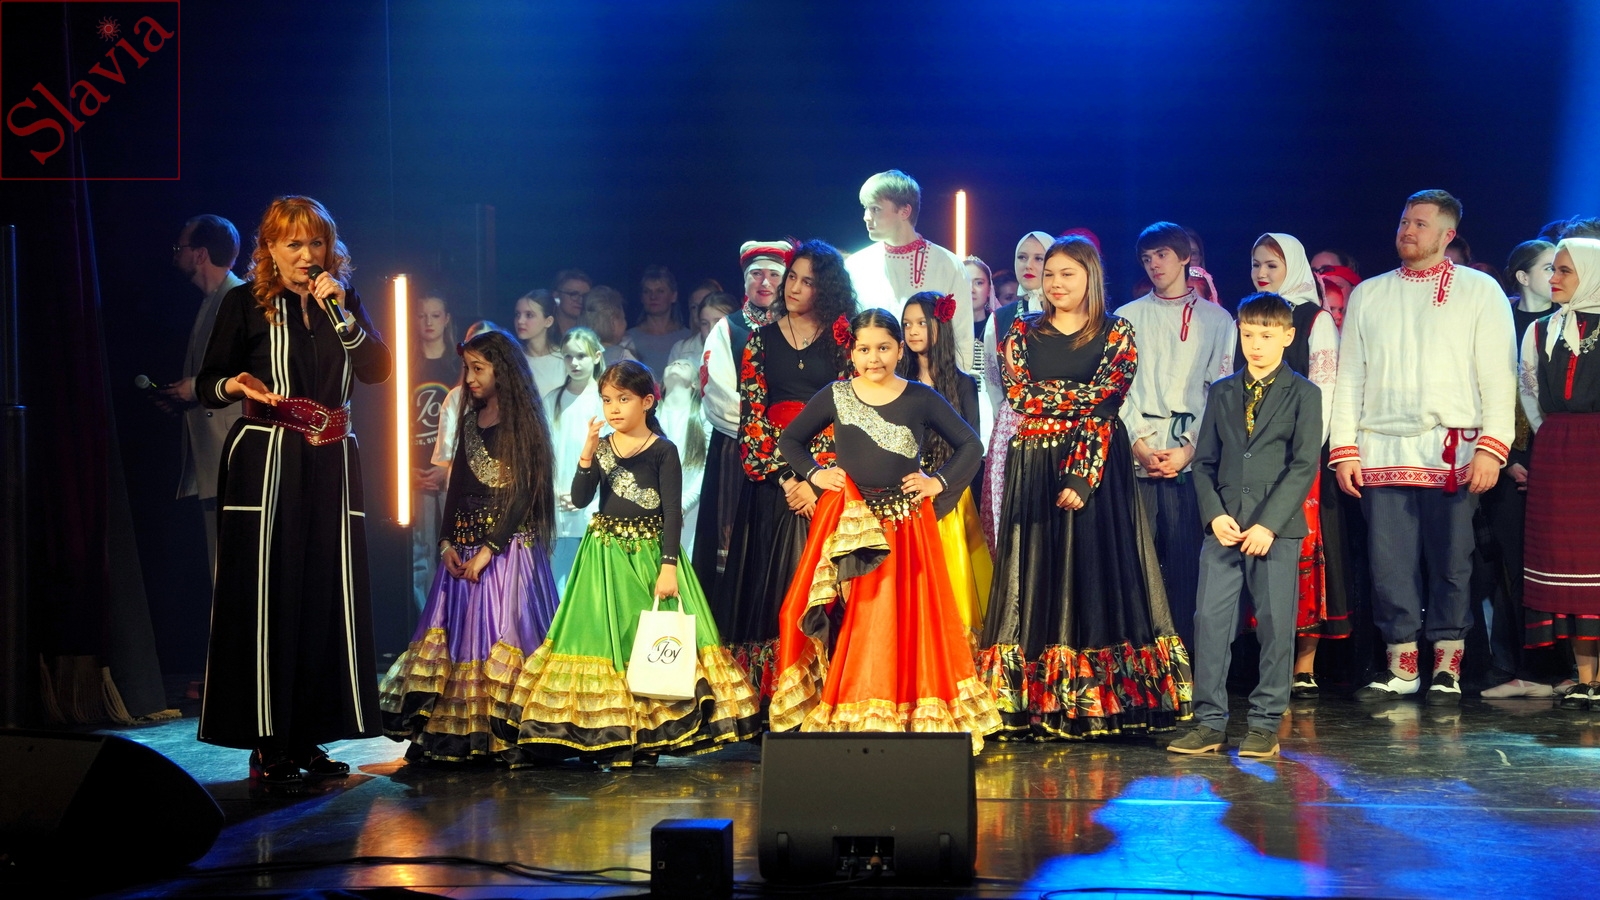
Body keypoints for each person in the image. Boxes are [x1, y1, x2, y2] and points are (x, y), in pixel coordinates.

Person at [194, 195, 392, 785]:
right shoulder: (244, 303)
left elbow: (378, 370)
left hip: (332, 461)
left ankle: (308, 735)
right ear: (270, 250)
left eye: (317, 244)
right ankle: (268, 742)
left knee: (324, 595)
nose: (307, 255)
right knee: (270, 595)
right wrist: (236, 384)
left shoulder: (342, 300)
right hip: (268, 458)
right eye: (294, 244)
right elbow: (207, 384)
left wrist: (345, 316)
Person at [977, 235, 1192, 739]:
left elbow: (1109, 398)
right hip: (1034, 464)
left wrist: (1081, 470)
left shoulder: (1117, 331)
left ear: (1090, 276)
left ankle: (1100, 703)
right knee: (1037, 571)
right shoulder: (1020, 331)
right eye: (1049, 274)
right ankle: (1034, 701)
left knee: (1096, 571)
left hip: (1096, 468)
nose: (1055, 283)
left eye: (1067, 274)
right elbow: (1020, 396)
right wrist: (1078, 399)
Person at [769, 311, 1001, 752]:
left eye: (883, 348)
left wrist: (938, 482)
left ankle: (904, 703)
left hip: (903, 525)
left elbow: (971, 444)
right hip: (850, 522)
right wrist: (815, 474)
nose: (873, 358)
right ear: (850, 351)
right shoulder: (836, 394)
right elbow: (790, 440)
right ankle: (854, 699)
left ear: (899, 349)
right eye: (864, 349)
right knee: (849, 613)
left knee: (900, 615)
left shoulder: (919, 397)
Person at [513, 361, 760, 767]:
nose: (613, 408)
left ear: (647, 401)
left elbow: (672, 512)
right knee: (602, 641)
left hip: (649, 557)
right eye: (607, 400)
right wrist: (587, 454)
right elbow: (580, 498)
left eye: (623, 399)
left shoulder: (663, 450)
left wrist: (668, 566)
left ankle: (647, 738)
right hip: (604, 557)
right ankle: (603, 734)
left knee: (644, 642)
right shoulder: (603, 447)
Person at [1331, 190, 1516, 704]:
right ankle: (1402, 667)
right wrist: (1344, 447)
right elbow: (1350, 377)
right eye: (1403, 221)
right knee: (1389, 564)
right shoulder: (1370, 293)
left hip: (1451, 450)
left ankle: (1447, 669)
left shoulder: (1479, 290)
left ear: (1447, 234)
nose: (1407, 230)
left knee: (1452, 562)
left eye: (1419, 223)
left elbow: (1498, 375)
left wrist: (1492, 447)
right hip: (1382, 448)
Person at [380, 329, 560, 763]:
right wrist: (445, 541)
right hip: (462, 546)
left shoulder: (524, 423)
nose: (470, 378)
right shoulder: (468, 418)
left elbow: (524, 494)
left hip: (508, 551)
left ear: (504, 371)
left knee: (501, 636)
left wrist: (489, 548)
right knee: (456, 642)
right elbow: (456, 486)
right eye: (467, 368)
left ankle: (506, 735)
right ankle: (451, 733)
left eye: (478, 369)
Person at [1169, 293, 1322, 758]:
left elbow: (1303, 465)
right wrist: (1214, 514)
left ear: (1287, 337)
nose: (1256, 345)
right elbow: (1203, 463)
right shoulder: (1222, 391)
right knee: (1210, 622)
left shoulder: (1305, 393)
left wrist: (1268, 525)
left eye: (1267, 336)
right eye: (1249, 334)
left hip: (1274, 531)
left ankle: (1264, 723)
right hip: (1225, 527)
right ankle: (1209, 722)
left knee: (1276, 626)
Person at [715, 240, 857, 703]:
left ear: (826, 288)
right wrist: (789, 477)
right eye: (791, 277)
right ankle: (772, 693)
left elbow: (850, 414)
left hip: (826, 482)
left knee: (818, 582)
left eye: (807, 281)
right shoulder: (760, 340)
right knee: (768, 586)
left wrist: (816, 476)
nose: (793, 287)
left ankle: (822, 688)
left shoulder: (844, 341)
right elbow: (752, 419)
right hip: (773, 483)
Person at [1116, 222, 1236, 649]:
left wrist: (1189, 450)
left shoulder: (1217, 319)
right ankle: (1140, 661)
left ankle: (1186, 661)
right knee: (1136, 562)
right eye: (1147, 258)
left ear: (1186, 257)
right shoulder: (1127, 317)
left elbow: (1220, 391)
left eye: (1163, 255)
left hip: (1190, 456)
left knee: (1188, 563)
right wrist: (1139, 443)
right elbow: (1118, 388)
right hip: (1140, 452)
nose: (1154, 265)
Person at [1242, 233, 1347, 699]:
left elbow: (1325, 390)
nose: (1262, 273)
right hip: (1254, 460)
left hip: (1299, 461)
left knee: (1300, 553)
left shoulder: (1313, 319)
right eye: (1256, 264)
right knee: (1257, 554)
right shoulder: (1248, 316)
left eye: (1272, 265)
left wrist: (1302, 455)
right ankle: (1270, 661)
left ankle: (1303, 664)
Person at [1519, 238, 1600, 708]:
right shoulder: (1540, 331)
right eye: (1552, 269)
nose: (1553, 278)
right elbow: (1530, 393)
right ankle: (1585, 677)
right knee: (1567, 563)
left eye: (1564, 271)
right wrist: (1552, 435)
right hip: (1559, 451)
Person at [1481, 240, 1563, 699]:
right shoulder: (1501, 323)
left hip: (1554, 459)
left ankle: (1559, 667)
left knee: (1554, 564)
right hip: (1503, 458)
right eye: (1548, 267)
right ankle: (1518, 666)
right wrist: (1506, 458)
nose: (1555, 276)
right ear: (1523, 276)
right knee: (1512, 566)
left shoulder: (1564, 323)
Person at [696, 241, 793, 595]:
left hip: (789, 448)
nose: (765, 282)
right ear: (745, 280)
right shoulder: (728, 329)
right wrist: (760, 433)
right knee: (731, 532)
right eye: (756, 274)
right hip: (737, 448)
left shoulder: (795, 327)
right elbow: (717, 392)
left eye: (773, 275)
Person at [900, 291, 991, 641]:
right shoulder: (898, 382)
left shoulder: (962, 383)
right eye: (907, 324)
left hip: (948, 494)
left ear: (940, 325)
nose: (913, 331)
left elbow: (972, 445)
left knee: (952, 581)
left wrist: (942, 488)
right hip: (905, 494)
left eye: (921, 323)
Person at [164, 214, 244, 584]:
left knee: (232, 570)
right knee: (221, 570)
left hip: (231, 455)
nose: (175, 255)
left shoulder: (237, 299)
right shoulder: (212, 300)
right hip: (211, 458)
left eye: (179, 247)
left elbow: (251, 371)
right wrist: (180, 398)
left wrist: (195, 387)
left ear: (200, 254)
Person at [844, 169, 973, 372]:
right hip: (872, 379)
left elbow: (962, 337)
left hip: (933, 383)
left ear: (904, 211)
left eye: (875, 209)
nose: (866, 217)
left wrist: (954, 385)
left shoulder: (947, 264)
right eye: (865, 208)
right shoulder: (856, 265)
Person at [978, 232, 1054, 551]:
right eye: (1022, 257)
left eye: (1038, 258)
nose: (1029, 265)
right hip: (1013, 428)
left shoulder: (1070, 313)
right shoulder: (1001, 318)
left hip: (1059, 427)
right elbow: (993, 383)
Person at [546, 328, 607, 588]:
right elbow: (545, 454)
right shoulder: (552, 400)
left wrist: (586, 494)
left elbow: (611, 456)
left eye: (581, 356)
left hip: (596, 507)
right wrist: (552, 491)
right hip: (559, 507)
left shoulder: (605, 401)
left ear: (597, 356)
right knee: (561, 587)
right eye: (568, 356)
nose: (574, 363)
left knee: (593, 586)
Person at [410, 293, 458, 612]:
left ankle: (451, 620)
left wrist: (447, 465)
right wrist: (406, 471)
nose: (428, 322)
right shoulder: (407, 365)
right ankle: (423, 623)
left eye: (435, 315)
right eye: (422, 315)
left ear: (447, 319)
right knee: (420, 553)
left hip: (450, 471)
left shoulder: (457, 365)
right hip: (415, 472)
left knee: (453, 547)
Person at [657, 357, 711, 558]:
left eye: (685, 364)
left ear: (695, 383)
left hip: (689, 509)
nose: (676, 364)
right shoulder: (650, 415)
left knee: (682, 563)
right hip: (651, 506)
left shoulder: (704, 415)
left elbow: (706, 467)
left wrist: (684, 503)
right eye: (672, 363)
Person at [627, 265, 693, 375]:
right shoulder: (629, 339)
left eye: (660, 291)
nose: (653, 297)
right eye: (647, 291)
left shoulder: (688, 338)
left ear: (673, 296)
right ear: (641, 297)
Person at [513, 289, 567, 399]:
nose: (520, 321)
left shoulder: (564, 359)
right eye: (517, 314)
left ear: (548, 321)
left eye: (529, 315)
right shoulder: (513, 360)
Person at [668, 290, 736, 374]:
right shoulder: (682, 350)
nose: (711, 329)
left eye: (718, 322)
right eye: (705, 323)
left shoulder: (747, 350)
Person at [582, 286, 640, 367]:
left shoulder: (574, 355)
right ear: (613, 323)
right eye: (623, 318)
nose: (625, 324)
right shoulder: (623, 357)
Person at [551, 268, 592, 336]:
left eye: (585, 296)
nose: (580, 300)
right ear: (556, 295)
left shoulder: (592, 332)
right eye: (573, 294)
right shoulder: (542, 329)